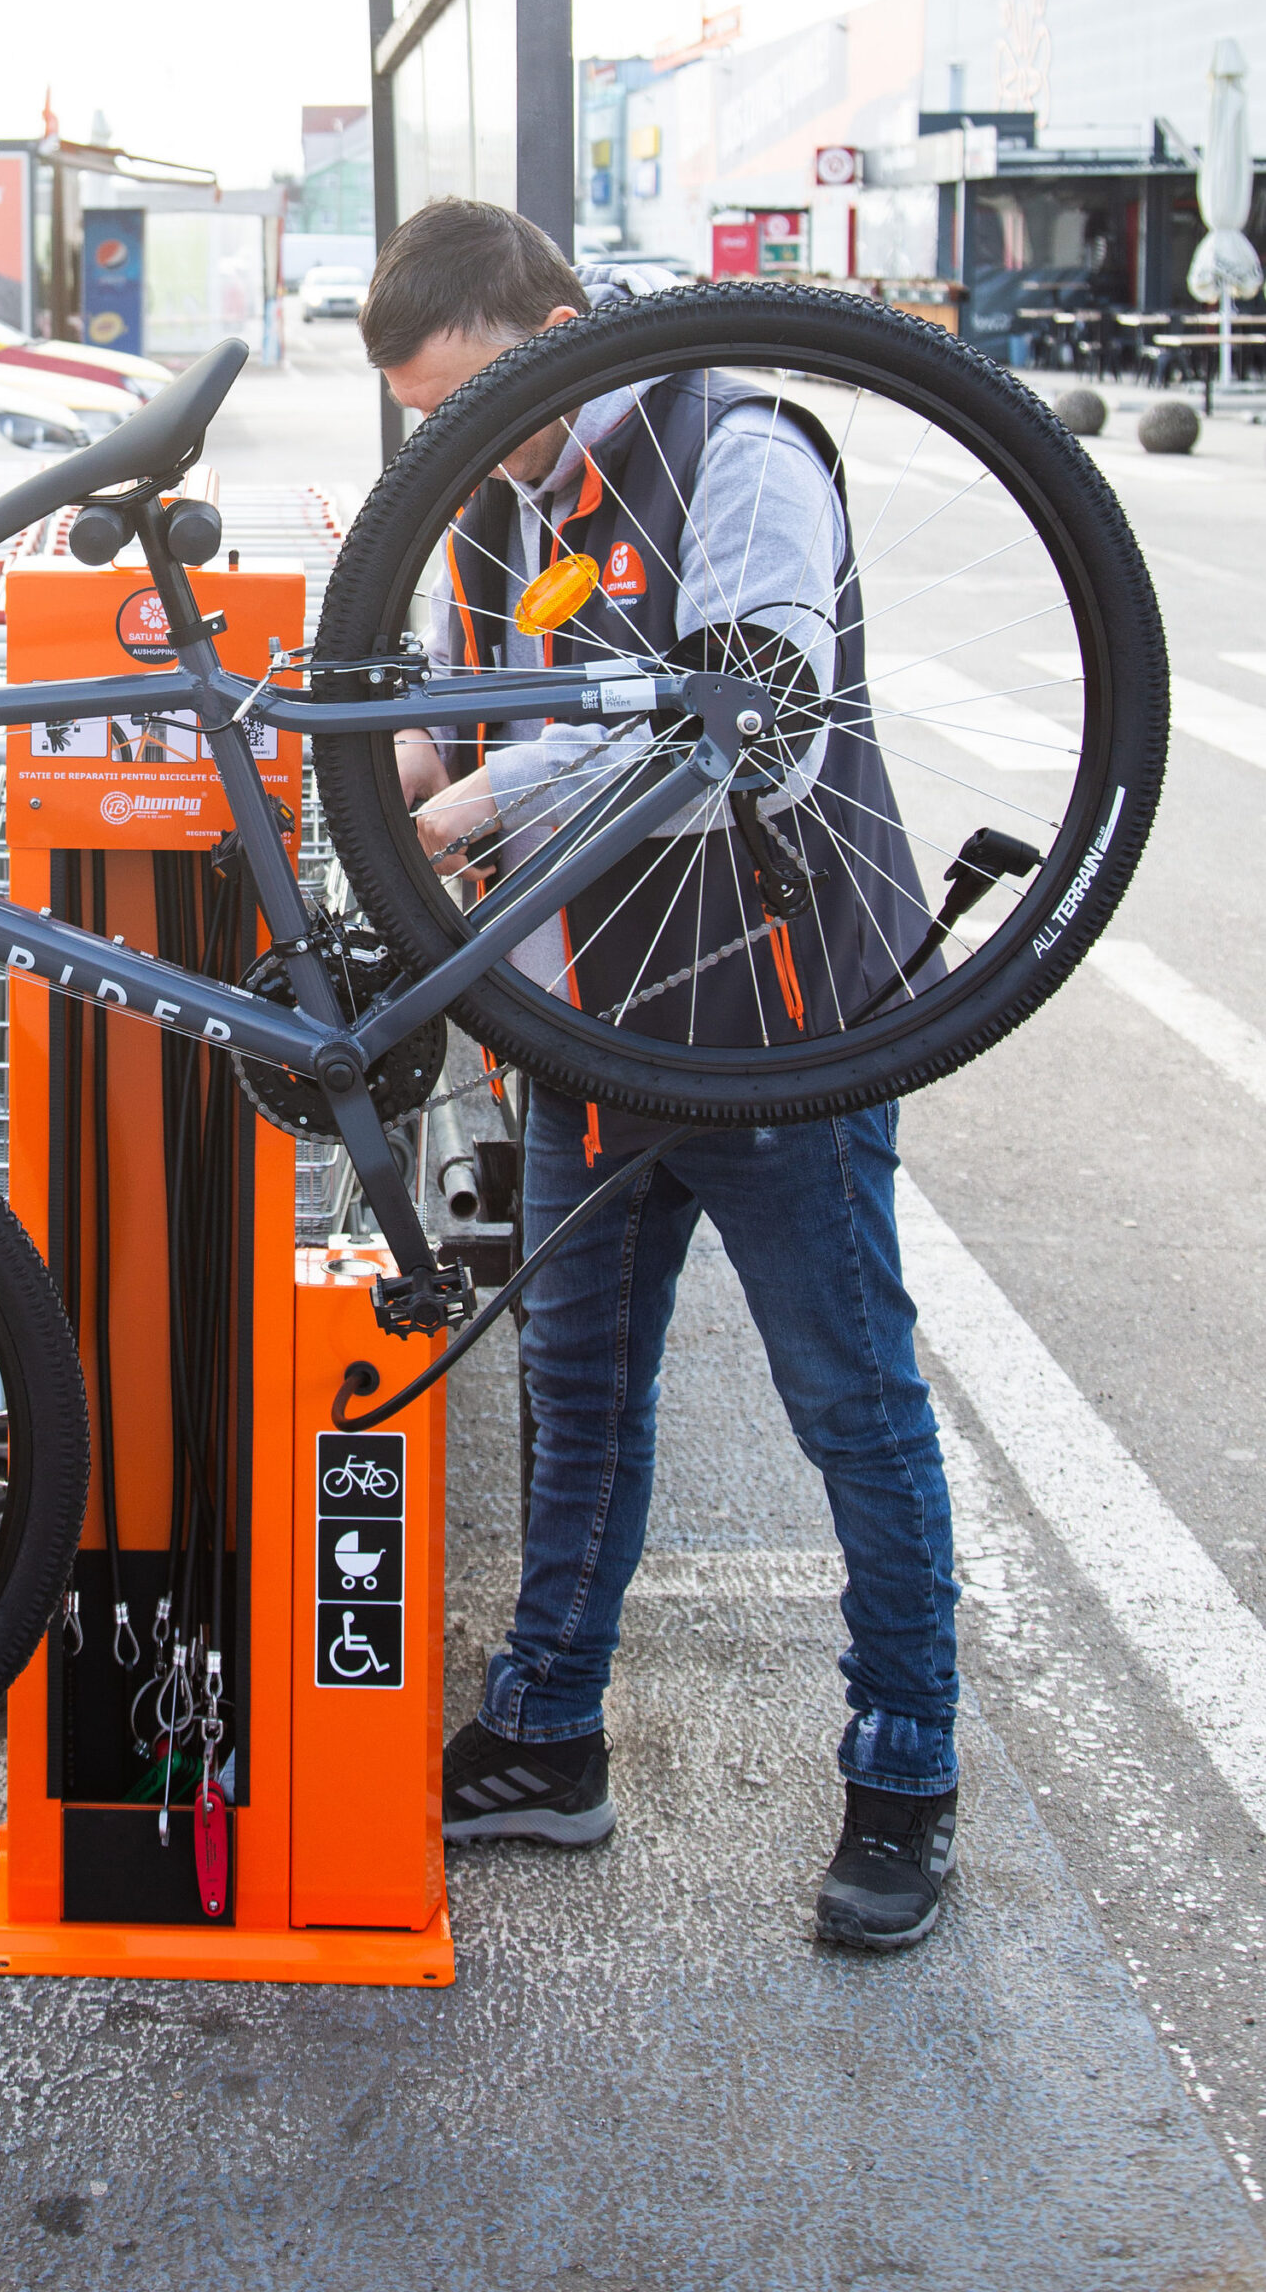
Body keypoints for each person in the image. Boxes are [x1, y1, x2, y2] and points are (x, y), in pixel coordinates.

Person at [358, 198, 961, 1951]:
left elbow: (744, 715)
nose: (458, 440)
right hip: (584, 1040)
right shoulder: (490, 482)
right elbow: (448, 706)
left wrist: (469, 811)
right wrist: (332, 767)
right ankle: (545, 1739)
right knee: (577, 1395)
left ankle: (905, 1774)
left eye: (477, 400)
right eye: (423, 419)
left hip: (778, 1034)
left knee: (850, 1405)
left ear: (559, 323)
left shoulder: (741, 443)